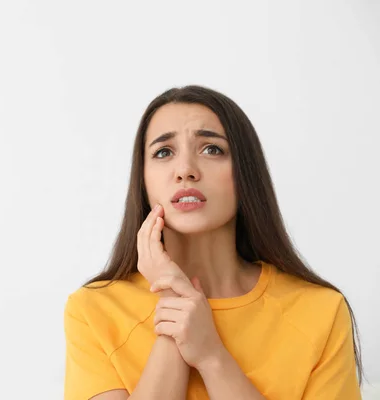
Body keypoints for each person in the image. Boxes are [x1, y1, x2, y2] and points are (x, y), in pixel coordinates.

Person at [62, 85, 364, 400]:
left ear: (245, 173)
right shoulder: (92, 311)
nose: (185, 171)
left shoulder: (321, 312)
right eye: (163, 152)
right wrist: (173, 310)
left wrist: (211, 356)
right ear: (143, 180)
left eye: (211, 149)